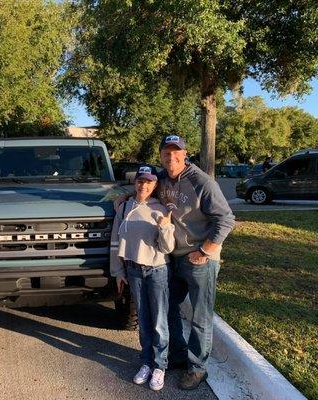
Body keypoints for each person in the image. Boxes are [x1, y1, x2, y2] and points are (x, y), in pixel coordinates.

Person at [157, 135, 235, 390]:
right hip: (174, 257)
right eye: (166, 152)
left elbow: (226, 219)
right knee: (167, 306)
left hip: (200, 259)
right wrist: (125, 197)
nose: (171, 157)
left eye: (176, 152)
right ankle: (178, 356)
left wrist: (206, 250)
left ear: (185, 153)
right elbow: (143, 188)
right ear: (160, 155)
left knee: (201, 316)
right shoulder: (162, 178)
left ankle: (197, 369)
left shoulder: (201, 181)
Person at [110, 165, 175, 391]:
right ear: (135, 182)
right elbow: (115, 242)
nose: (143, 185)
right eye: (140, 181)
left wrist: (165, 228)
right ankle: (146, 362)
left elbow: (167, 248)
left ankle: (160, 366)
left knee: (159, 321)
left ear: (155, 185)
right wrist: (118, 271)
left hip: (157, 270)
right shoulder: (125, 206)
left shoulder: (161, 209)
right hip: (133, 270)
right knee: (144, 320)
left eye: (149, 182)